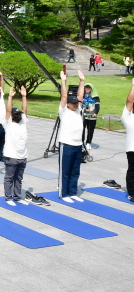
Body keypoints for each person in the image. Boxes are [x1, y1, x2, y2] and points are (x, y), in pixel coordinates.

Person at [58, 70, 85, 202]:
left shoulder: (78, 109)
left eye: (77, 103)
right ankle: (64, 194)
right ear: (68, 104)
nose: (76, 104)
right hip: (66, 144)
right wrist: (63, 81)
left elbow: (80, 95)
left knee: (75, 171)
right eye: (74, 103)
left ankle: (73, 192)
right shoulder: (63, 111)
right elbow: (64, 96)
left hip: (78, 144)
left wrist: (82, 81)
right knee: (66, 171)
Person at [3, 86, 29, 205]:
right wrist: (10, 97)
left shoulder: (23, 122)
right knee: (9, 178)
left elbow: (25, 110)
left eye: (19, 114)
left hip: (23, 156)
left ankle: (17, 197)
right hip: (11, 156)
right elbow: (8, 111)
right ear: (12, 116)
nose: (19, 115)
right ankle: (9, 198)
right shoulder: (8, 123)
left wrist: (24, 97)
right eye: (16, 114)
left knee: (19, 178)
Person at [123, 78, 134, 201]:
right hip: (132, 149)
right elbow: (130, 101)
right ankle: (132, 192)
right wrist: (133, 86)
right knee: (132, 171)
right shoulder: (128, 117)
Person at [81, 83, 100, 149]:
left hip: (92, 116)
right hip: (83, 116)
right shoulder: (82, 96)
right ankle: (81, 142)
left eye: (89, 88)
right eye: (86, 88)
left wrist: (96, 113)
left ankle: (88, 143)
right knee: (81, 130)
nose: (87, 89)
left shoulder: (96, 97)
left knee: (90, 130)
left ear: (91, 89)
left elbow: (97, 106)